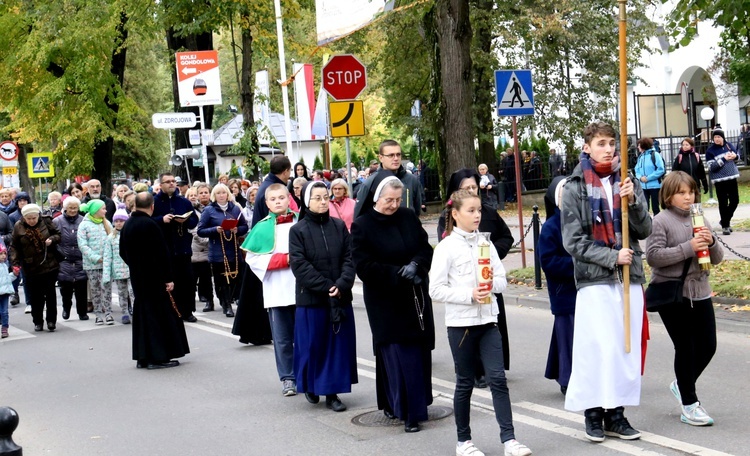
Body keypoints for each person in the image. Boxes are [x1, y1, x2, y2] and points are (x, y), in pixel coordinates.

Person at [560, 121, 651, 442]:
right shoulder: (574, 188)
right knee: (597, 347)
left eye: (612, 143)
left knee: (623, 348)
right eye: (601, 143)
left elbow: (645, 229)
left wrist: (634, 201)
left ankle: (617, 413)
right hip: (595, 279)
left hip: (629, 278)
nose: (608, 148)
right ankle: (594, 413)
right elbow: (573, 241)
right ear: (587, 147)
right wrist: (612, 257)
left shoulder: (627, 182)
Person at [430, 189, 531, 456]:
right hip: (461, 325)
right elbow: (435, 289)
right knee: (464, 382)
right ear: (455, 214)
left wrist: (491, 286)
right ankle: (463, 442)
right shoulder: (446, 248)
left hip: (488, 321)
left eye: (479, 211)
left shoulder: (485, 244)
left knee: (498, 379)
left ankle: (509, 440)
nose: (477, 216)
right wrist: (468, 295)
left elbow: (501, 280)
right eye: (471, 211)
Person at [351, 172, 434, 433]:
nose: (394, 205)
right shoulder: (362, 225)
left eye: (398, 199)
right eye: (389, 200)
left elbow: (424, 247)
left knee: (417, 353)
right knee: (397, 355)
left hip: (415, 295)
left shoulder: (408, 217)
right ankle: (408, 412)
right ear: (377, 197)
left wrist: (417, 265)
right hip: (385, 300)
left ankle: (414, 403)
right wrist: (398, 274)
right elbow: (364, 266)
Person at [645, 171, 723, 426]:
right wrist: (688, 246)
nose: (687, 197)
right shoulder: (661, 221)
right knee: (686, 346)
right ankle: (690, 404)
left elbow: (718, 257)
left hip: (700, 290)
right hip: (672, 293)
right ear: (668, 195)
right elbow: (654, 256)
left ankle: (682, 384)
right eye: (681, 192)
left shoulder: (699, 217)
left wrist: (710, 242)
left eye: (690, 192)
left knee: (708, 345)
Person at [437, 169, 515, 384]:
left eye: (474, 187)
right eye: (466, 188)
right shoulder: (448, 223)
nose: (472, 191)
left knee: (492, 327)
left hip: (488, 280)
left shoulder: (488, 213)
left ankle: (494, 368)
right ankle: (475, 371)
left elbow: (506, 237)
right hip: (464, 294)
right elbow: (446, 254)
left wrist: (491, 257)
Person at [289, 181, 358, 412]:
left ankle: (332, 393)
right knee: (312, 346)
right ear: (306, 201)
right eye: (316, 198)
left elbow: (349, 258)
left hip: (339, 297)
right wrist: (326, 286)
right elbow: (299, 265)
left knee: (336, 348)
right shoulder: (297, 230)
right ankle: (309, 384)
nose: (322, 202)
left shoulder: (338, 226)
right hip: (312, 300)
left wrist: (341, 284)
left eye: (325, 197)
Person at [120, 192, 190, 369]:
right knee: (157, 317)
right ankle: (157, 357)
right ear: (152, 207)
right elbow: (161, 254)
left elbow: (122, 251)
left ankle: (143, 356)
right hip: (155, 278)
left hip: (138, 277)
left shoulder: (128, 224)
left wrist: (135, 265)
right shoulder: (150, 225)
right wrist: (168, 278)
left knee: (143, 315)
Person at [243, 184, 299, 397]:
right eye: (273, 199)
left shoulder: (300, 220)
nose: (277, 201)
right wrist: (283, 260)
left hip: (302, 288)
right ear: (266, 203)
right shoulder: (261, 226)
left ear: (288, 199)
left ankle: (306, 374)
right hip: (277, 289)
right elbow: (252, 258)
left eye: (281, 198)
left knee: (304, 336)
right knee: (283, 339)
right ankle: (288, 378)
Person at [537, 177, 576, 395]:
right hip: (564, 293)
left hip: (584, 290)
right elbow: (549, 262)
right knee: (567, 338)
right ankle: (568, 379)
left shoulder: (581, 221)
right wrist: (579, 264)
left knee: (570, 337)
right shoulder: (551, 227)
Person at [151, 173, 200, 322]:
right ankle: (171, 311)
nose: (172, 184)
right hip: (165, 248)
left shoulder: (183, 201)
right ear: (161, 185)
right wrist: (162, 219)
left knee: (187, 281)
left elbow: (194, 220)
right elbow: (148, 220)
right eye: (168, 182)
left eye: (173, 181)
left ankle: (187, 311)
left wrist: (184, 220)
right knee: (170, 282)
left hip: (183, 247)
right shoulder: (155, 202)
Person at [197, 184, 248, 317]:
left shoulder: (235, 209)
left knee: (236, 278)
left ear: (228, 194)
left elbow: (244, 226)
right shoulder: (209, 210)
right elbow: (200, 231)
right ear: (214, 195)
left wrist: (237, 230)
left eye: (223, 193)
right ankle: (226, 305)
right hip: (218, 251)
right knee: (222, 280)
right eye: (218, 193)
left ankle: (234, 299)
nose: (221, 195)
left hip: (233, 250)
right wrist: (215, 230)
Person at [11, 203, 60, 332]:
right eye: (29, 219)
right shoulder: (18, 226)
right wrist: (15, 264)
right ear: (24, 218)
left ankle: (51, 321)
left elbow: (58, 235)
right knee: (35, 296)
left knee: (50, 295)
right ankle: (37, 321)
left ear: (38, 216)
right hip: (30, 266)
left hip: (49, 264)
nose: (32, 221)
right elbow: (14, 246)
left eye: (34, 218)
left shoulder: (46, 221)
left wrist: (52, 239)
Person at [353, 140, 423, 218]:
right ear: (381, 158)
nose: (396, 158)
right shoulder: (371, 182)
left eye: (398, 154)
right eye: (391, 155)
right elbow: (359, 216)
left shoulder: (412, 180)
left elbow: (416, 211)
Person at [77, 200, 114, 325]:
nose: (105, 210)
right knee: (95, 290)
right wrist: (95, 257)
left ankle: (108, 313)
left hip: (106, 264)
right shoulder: (84, 225)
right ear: (95, 211)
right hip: (92, 265)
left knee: (107, 289)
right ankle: (98, 314)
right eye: (103, 208)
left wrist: (109, 257)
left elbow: (113, 240)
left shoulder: (106, 223)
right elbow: (82, 245)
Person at [53, 197, 89, 321]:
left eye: (75, 208)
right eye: (70, 208)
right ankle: (66, 308)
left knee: (81, 288)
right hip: (64, 259)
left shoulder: (83, 220)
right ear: (65, 208)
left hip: (80, 258)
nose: (73, 210)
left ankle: (82, 312)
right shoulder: (57, 221)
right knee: (66, 288)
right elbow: (54, 238)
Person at [705, 126, 740, 235]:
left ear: (723, 137)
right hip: (720, 180)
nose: (717, 139)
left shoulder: (729, 145)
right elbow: (712, 167)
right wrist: (724, 159)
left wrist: (735, 156)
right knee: (723, 203)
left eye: (719, 137)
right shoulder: (710, 151)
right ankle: (725, 226)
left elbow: (738, 157)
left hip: (732, 177)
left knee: (735, 201)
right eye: (715, 137)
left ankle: (724, 220)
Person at [103, 204, 133, 324]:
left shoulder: (131, 234)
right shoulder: (111, 238)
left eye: (122, 221)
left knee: (133, 292)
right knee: (122, 292)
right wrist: (107, 273)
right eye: (117, 221)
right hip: (118, 270)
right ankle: (124, 311)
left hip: (131, 269)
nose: (119, 223)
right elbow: (107, 256)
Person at [189, 184, 214, 312]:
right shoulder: (193, 210)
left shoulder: (214, 208)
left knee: (208, 278)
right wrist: (206, 239)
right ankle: (190, 306)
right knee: (193, 278)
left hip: (213, 247)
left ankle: (210, 300)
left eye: (206, 192)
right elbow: (193, 228)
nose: (204, 194)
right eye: (201, 193)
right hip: (198, 248)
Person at [634, 137, 665, 216]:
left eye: (639, 145)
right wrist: (640, 177)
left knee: (655, 207)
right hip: (643, 187)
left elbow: (661, 169)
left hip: (655, 186)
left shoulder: (655, 155)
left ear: (643, 146)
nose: (638, 147)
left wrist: (648, 178)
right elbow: (636, 169)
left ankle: (657, 224)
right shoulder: (640, 157)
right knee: (644, 207)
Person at [0, 244, 17, 338]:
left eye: (4, 253)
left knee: (5, 311)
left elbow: (7, 279)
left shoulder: (5, 266)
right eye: (1, 254)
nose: (3, 256)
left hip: (5, 292)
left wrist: (14, 274)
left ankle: (5, 328)